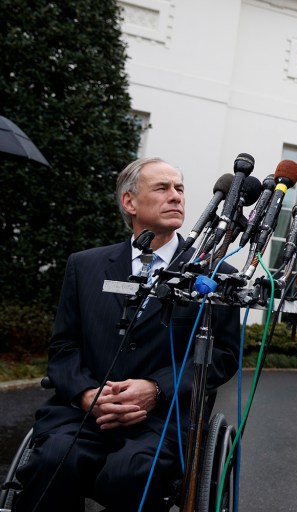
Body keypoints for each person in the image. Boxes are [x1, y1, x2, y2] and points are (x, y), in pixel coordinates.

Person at [16, 157, 240, 511]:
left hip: (161, 420)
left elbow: (223, 355)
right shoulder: (85, 266)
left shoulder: (214, 273)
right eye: (162, 188)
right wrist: (87, 393)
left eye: (179, 189)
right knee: (52, 461)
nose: (176, 197)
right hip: (84, 414)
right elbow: (64, 346)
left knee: (132, 472)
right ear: (129, 202)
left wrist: (155, 389)